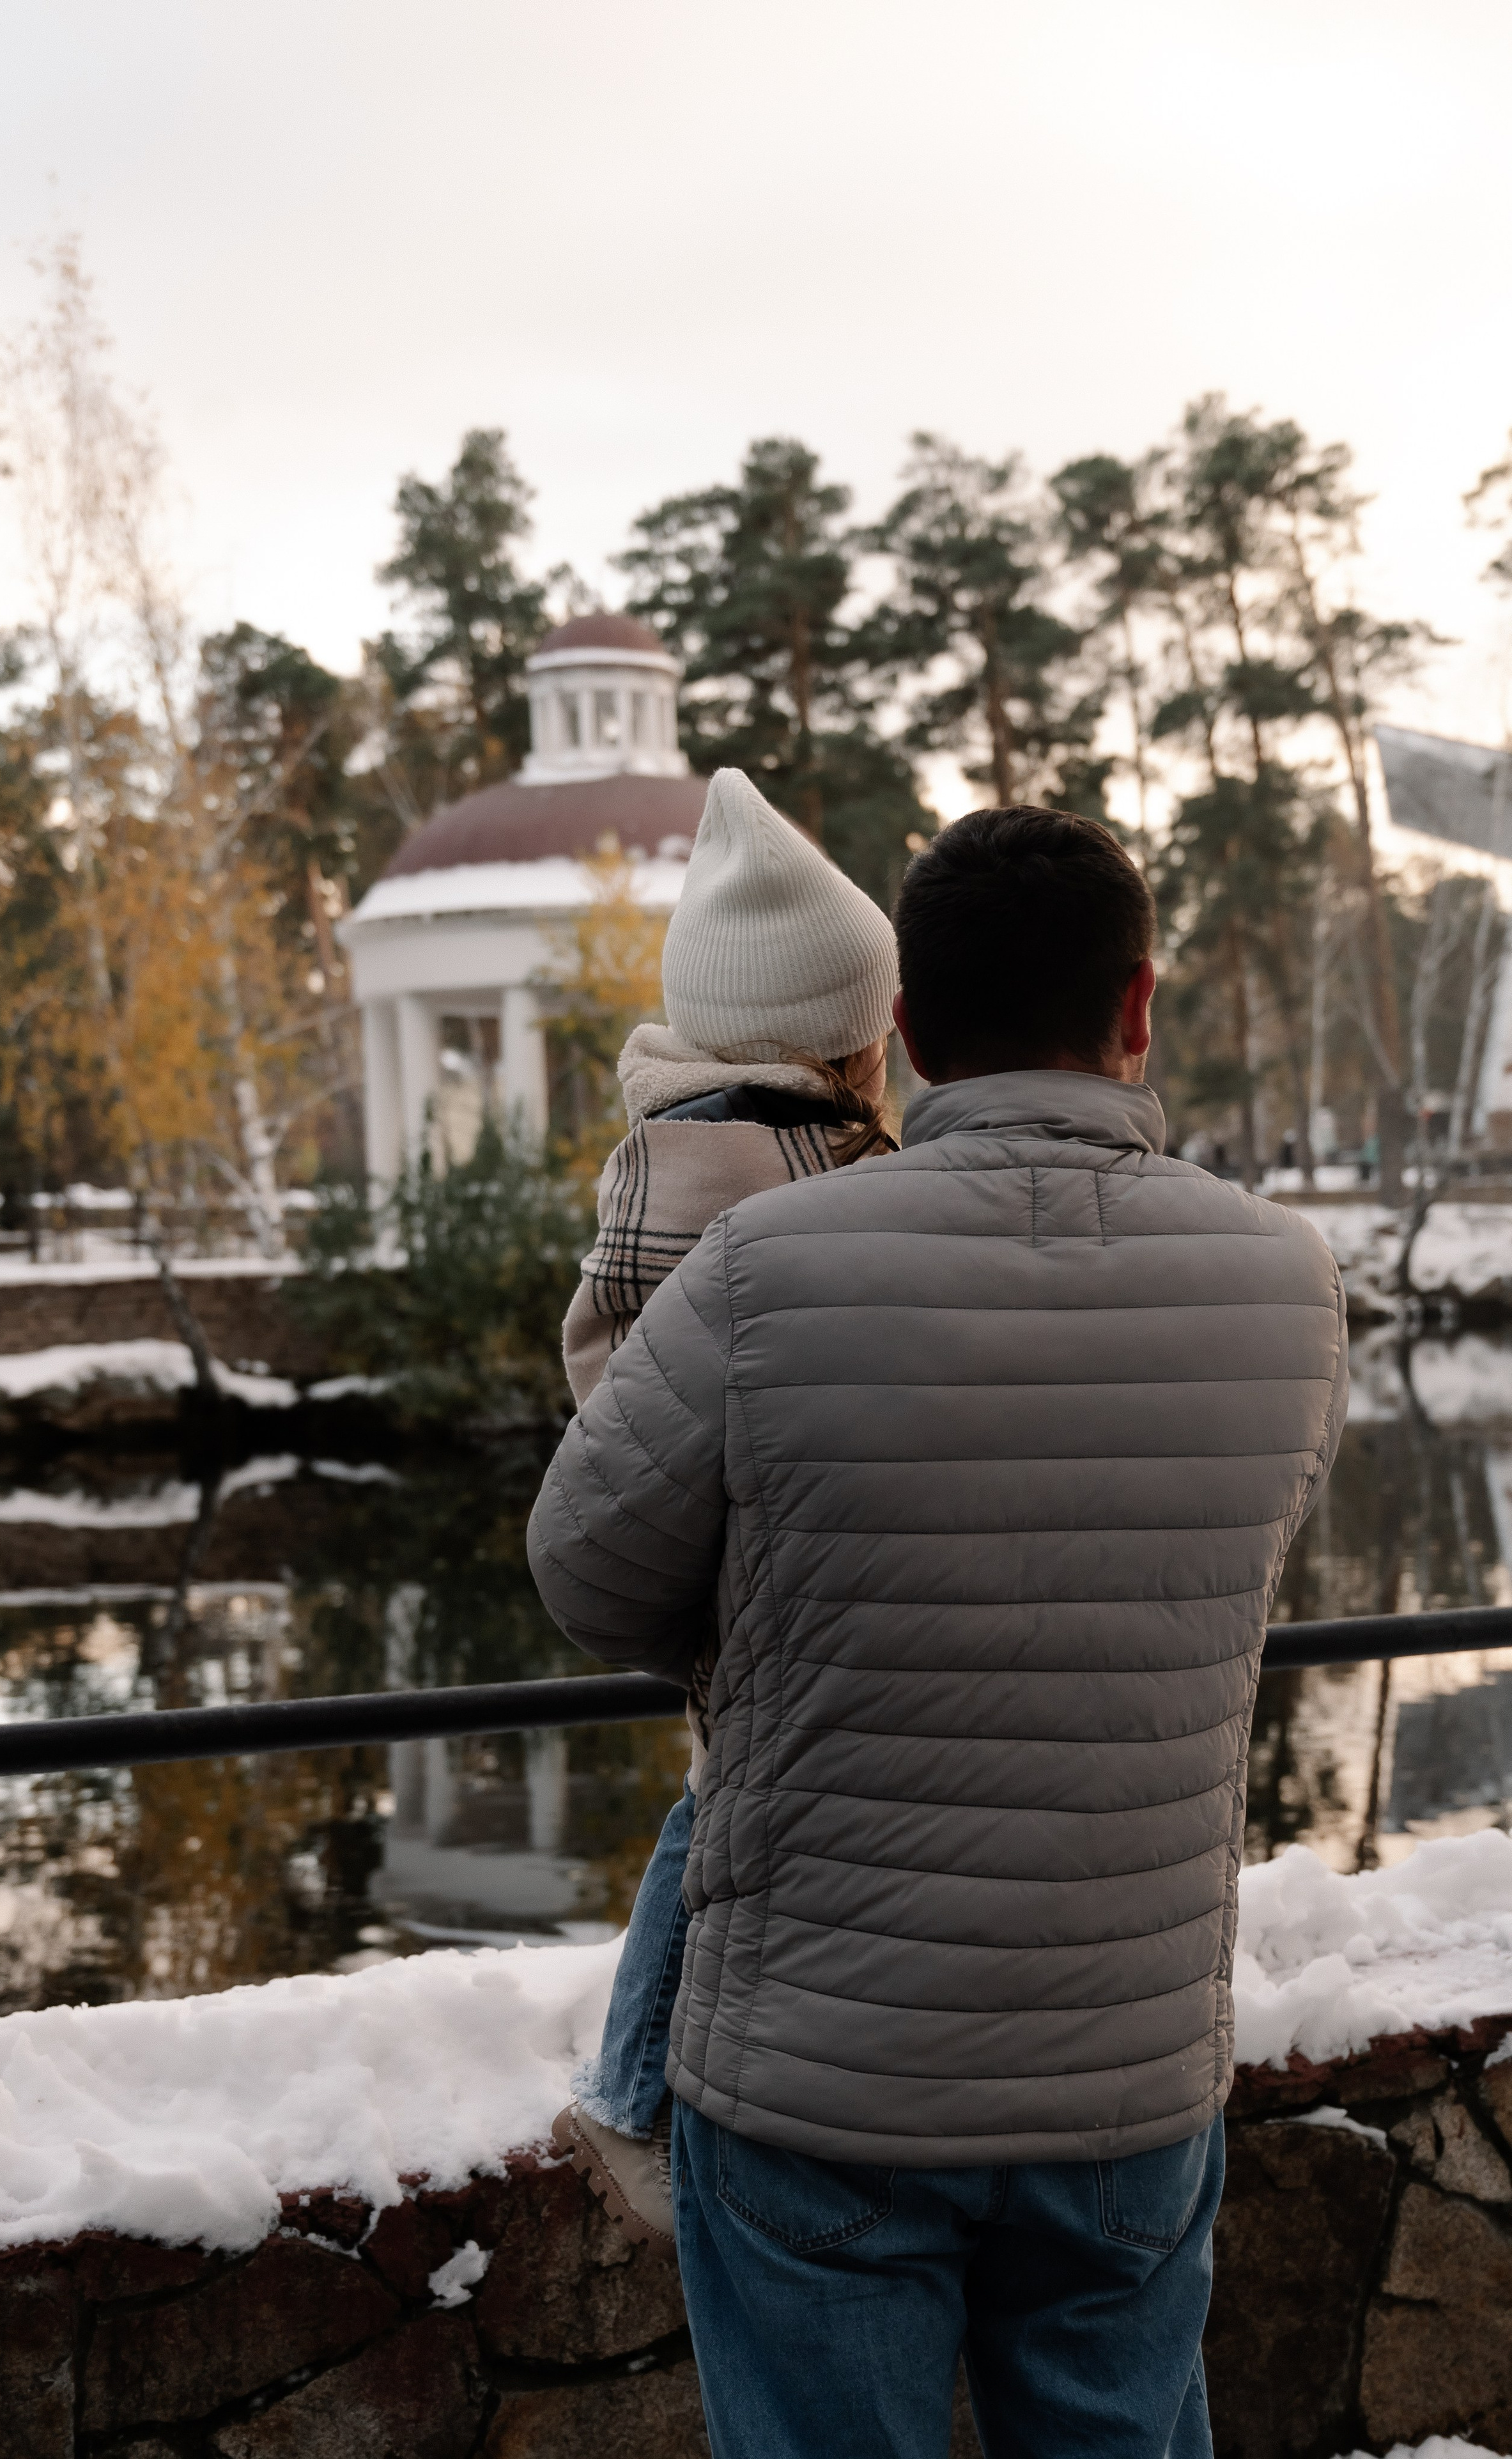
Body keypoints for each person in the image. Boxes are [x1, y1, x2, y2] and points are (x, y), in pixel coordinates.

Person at [528, 805, 1348, 2459]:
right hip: (1126, 2072)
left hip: (818, 2080)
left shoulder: (758, 1272)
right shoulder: (1288, 1284)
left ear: (903, 1033)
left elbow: (590, 1574)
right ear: (1138, 1008)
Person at [551, 764, 900, 2252]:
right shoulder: (800, 1171)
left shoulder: (665, 1153)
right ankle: (630, 2092)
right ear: (844, 1035)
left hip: (702, 1537)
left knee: (718, 1806)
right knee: (715, 1823)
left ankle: (634, 2090)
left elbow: (600, 1372)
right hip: (771, 1550)